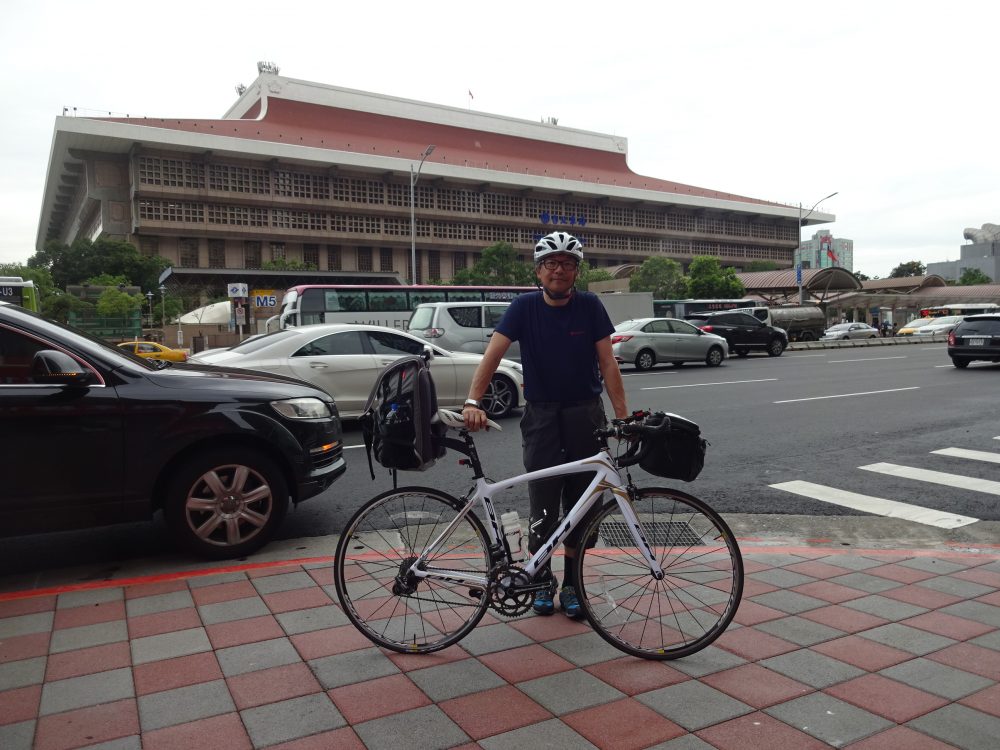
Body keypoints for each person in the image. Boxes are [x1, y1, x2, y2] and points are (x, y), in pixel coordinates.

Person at [462, 231, 628, 618]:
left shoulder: (589, 306)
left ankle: (572, 583)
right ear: (539, 271)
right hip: (541, 418)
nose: (559, 270)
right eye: (551, 263)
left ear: (576, 272)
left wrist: (622, 417)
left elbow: (608, 363)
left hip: (586, 414)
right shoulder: (523, 307)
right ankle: (541, 580)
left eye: (567, 264)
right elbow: (492, 355)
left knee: (584, 503)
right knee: (543, 502)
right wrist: (473, 401)